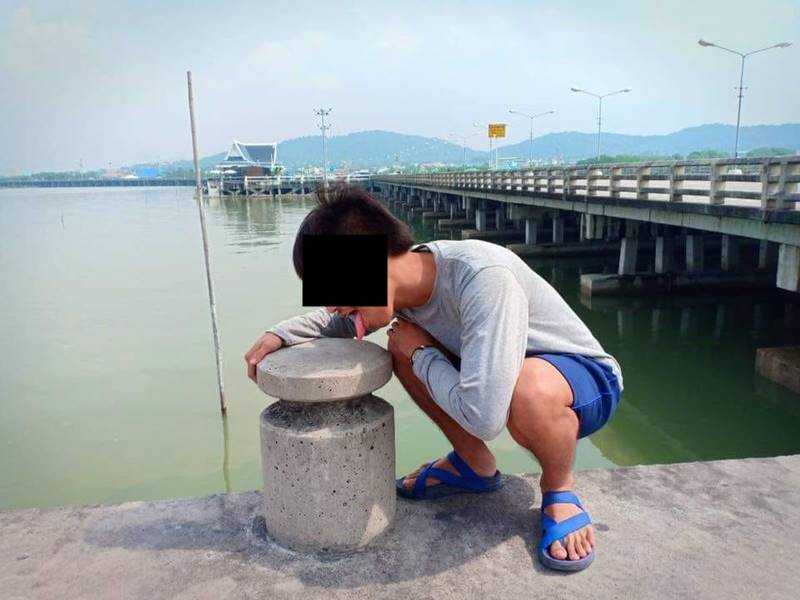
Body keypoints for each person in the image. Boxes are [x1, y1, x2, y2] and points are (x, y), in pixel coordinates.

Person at [245, 185, 622, 572]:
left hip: (582, 379)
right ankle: (474, 465)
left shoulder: (482, 277)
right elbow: (336, 321)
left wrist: (422, 354)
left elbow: (485, 418)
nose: (333, 303)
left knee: (519, 386)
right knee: (400, 349)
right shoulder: (408, 285)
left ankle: (559, 488)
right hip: (499, 378)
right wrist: (280, 334)